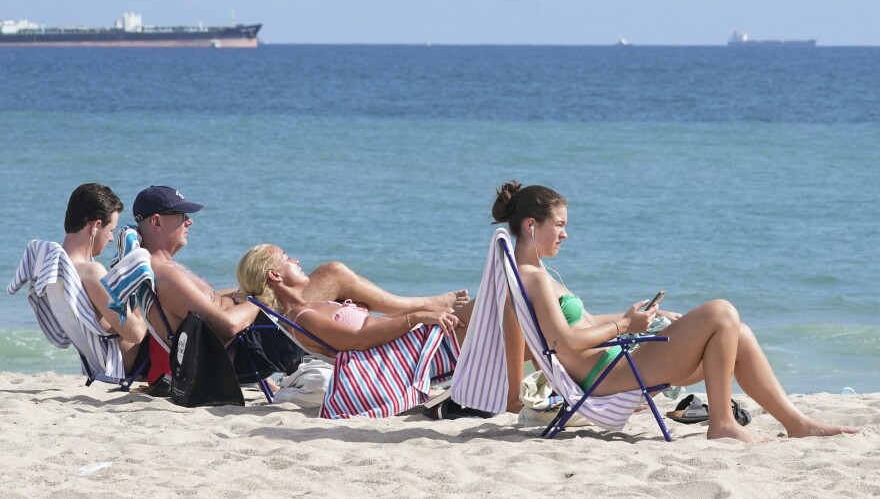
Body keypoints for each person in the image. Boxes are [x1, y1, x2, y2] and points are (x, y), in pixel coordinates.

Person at [491, 180, 860, 442]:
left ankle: (795, 422)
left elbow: (577, 326)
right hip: (609, 374)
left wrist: (642, 316)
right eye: (559, 224)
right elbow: (568, 344)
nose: (565, 234)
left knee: (738, 334)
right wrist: (624, 324)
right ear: (530, 225)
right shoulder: (535, 280)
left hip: (616, 364)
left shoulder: (534, 276)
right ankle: (722, 423)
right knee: (721, 312)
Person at [134, 185, 468, 381]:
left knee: (342, 298)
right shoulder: (168, 273)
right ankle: (421, 307)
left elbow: (209, 304)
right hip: (249, 352)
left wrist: (235, 294)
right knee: (333, 274)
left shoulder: (164, 269)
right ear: (157, 222)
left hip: (247, 345)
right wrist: (255, 298)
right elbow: (225, 326)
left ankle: (418, 312)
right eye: (181, 216)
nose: (189, 221)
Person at [236, 244, 469, 358]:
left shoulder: (308, 309)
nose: (296, 260)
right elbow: (359, 341)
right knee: (495, 305)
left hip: (418, 340)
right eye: (287, 258)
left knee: (495, 305)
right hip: (416, 352)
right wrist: (417, 316)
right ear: (275, 275)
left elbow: (371, 328)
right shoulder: (302, 317)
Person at [62, 183, 147, 372]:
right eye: (111, 230)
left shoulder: (58, 267)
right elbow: (136, 333)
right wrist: (148, 294)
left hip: (94, 360)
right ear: (96, 226)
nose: (111, 239)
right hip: (128, 361)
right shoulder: (91, 272)